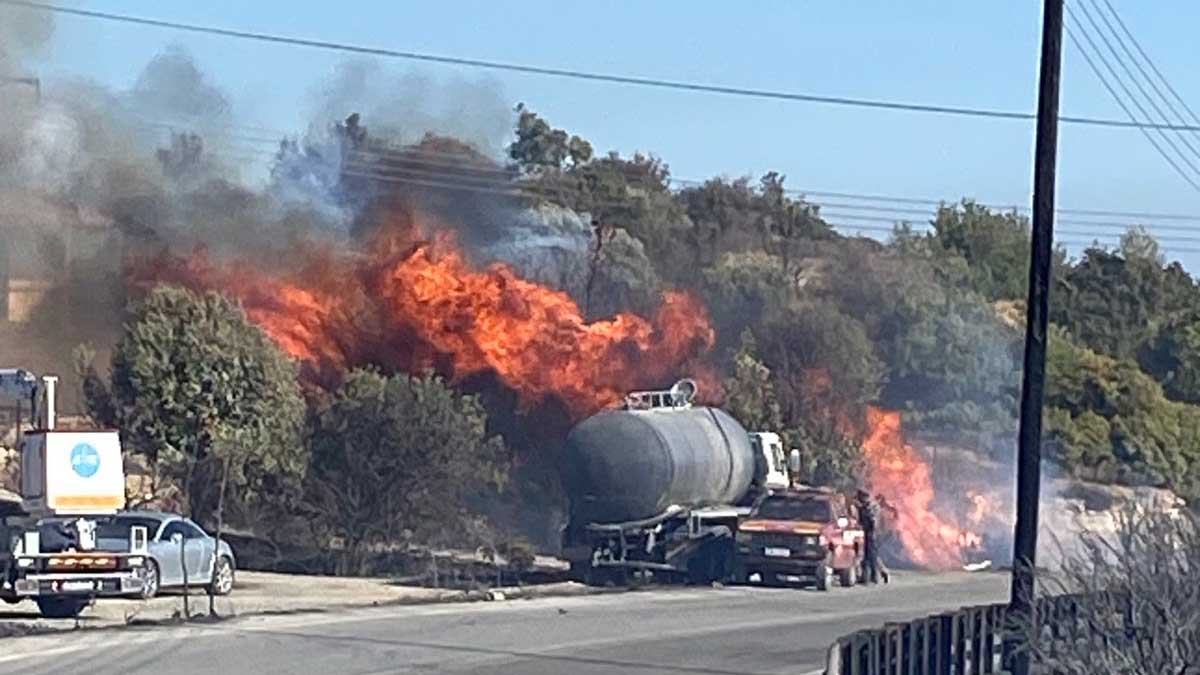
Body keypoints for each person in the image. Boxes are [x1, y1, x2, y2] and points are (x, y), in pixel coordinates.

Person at [855, 489, 881, 584]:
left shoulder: (871, 507)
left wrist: (872, 533)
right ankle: (867, 577)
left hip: (871, 535)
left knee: (870, 556)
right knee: (867, 556)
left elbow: (873, 521)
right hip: (866, 534)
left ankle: (872, 577)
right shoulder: (865, 507)